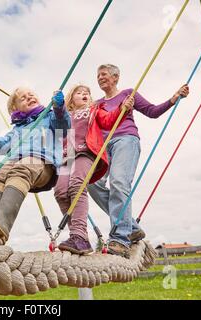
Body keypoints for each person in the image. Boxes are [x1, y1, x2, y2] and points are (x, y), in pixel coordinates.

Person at [87, 64, 190, 258]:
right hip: (103, 146)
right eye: (98, 75)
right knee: (92, 183)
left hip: (125, 139)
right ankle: (131, 227)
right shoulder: (96, 104)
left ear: (116, 77)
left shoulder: (128, 94)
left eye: (104, 74)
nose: (100, 78)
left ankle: (120, 237)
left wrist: (174, 98)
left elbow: (152, 111)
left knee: (118, 183)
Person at [0, 87, 71, 243]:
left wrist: (59, 107)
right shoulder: (17, 129)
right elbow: (2, 144)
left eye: (31, 94)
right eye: (23, 98)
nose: (29, 97)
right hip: (16, 161)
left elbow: (63, 126)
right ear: (15, 108)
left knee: (22, 168)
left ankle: (3, 221)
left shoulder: (49, 117)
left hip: (41, 163)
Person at [54, 85, 133, 255]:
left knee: (77, 185)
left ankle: (78, 235)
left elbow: (108, 120)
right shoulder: (66, 115)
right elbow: (58, 121)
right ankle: (79, 236)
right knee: (60, 192)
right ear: (70, 99)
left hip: (86, 152)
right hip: (67, 156)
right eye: (79, 92)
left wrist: (122, 109)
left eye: (87, 93)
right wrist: (57, 106)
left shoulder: (94, 110)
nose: (84, 94)